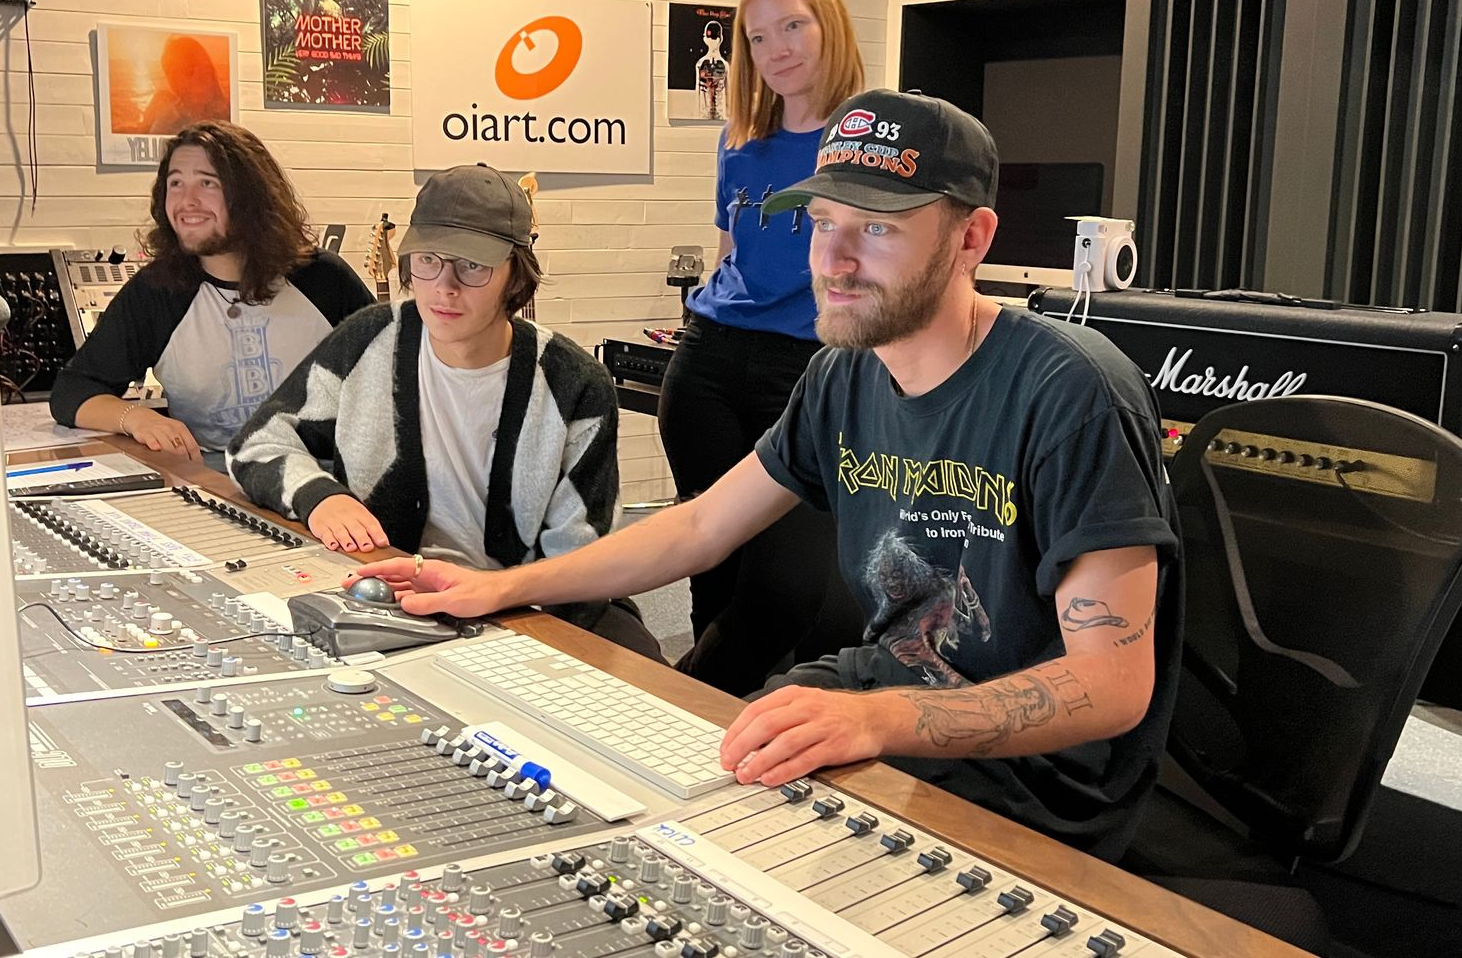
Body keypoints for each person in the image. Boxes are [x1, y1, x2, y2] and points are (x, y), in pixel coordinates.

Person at [349, 91, 1182, 857]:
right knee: (633, 811)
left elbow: (1111, 684)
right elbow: (703, 526)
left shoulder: (1070, 390)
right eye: (823, 223)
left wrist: (879, 718)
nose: (836, 258)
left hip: (1030, 776)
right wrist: (501, 589)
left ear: (972, 239)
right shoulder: (843, 374)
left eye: (878, 229)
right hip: (881, 696)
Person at [227, 164, 661, 658]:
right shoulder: (369, 338)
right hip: (395, 596)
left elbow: (581, 562)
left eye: (472, 266)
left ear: (515, 274)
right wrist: (320, 497)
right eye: (428, 260)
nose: (444, 287)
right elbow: (256, 442)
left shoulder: (575, 384)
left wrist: (508, 631)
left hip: (528, 605)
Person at [658, 0, 867, 695]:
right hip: (709, 363)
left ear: (829, 27)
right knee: (711, 564)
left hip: (807, 369)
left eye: (792, 26)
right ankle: (709, 723)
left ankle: (687, 704)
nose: (774, 48)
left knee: (785, 584)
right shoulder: (741, 135)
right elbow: (730, 251)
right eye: (755, 36)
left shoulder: (864, 141)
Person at [51, 121, 372, 462]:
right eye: (175, 183)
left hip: (326, 478)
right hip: (217, 480)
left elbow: (399, 374)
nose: (187, 201)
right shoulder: (157, 291)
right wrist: (135, 418)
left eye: (207, 183)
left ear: (250, 195)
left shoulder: (324, 279)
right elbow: (72, 392)